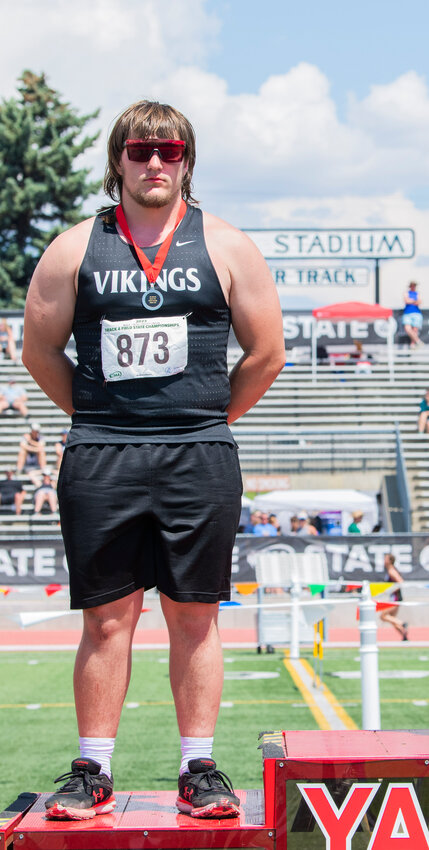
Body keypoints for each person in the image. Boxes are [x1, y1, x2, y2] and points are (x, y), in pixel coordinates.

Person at [22, 99, 286, 821]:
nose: (154, 163)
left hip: (196, 453)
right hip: (101, 452)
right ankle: (92, 769)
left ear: (187, 161)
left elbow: (266, 354)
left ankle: (198, 766)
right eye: (140, 151)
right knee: (107, 620)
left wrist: (207, 421)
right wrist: (94, 417)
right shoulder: (75, 247)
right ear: (118, 161)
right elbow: (38, 350)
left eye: (169, 152)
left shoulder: (227, 246)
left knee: (193, 617)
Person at [379, 554, 408, 640]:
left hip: (395, 598)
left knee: (383, 616)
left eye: (386, 559)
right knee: (392, 618)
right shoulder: (389, 570)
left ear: (389, 561)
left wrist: (391, 590)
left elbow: (400, 582)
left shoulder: (392, 571)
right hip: (394, 597)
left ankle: (402, 623)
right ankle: (404, 636)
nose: (384, 560)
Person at [402, 281, 423, 348]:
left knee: (415, 329)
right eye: (412, 285)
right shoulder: (406, 293)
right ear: (410, 286)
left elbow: (419, 302)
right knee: (407, 328)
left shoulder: (417, 293)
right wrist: (414, 301)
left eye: (414, 285)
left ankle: (413, 344)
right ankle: (418, 341)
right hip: (407, 313)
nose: (413, 287)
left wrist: (411, 301)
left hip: (416, 313)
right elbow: (406, 301)